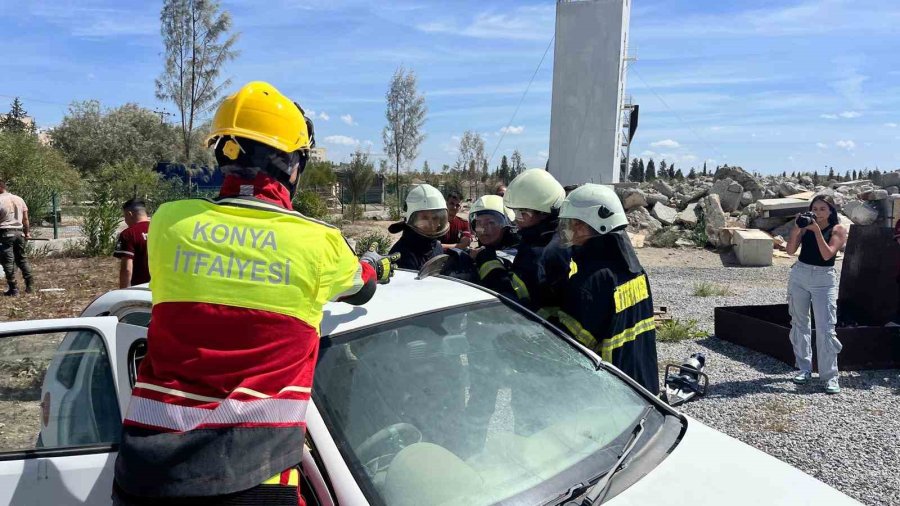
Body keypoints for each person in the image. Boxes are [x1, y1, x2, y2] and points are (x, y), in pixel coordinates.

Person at [113, 81, 395, 505]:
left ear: (222, 154)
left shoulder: (169, 224)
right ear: (294, 166)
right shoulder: (319, 243)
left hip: (148, 474)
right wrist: (376, 263)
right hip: (254, 475)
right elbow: (362, 289)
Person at [554, 184, 659, 394]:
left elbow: (567, 347)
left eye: (574, 224)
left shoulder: (592, 281)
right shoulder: (634, 269)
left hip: (611, 395)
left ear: (594, 226)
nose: (568, 230)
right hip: (644, 388)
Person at [473, 168, 569, 313]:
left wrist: (485, 259)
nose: (516, 219)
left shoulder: (537, 253)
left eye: (523, 213)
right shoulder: (561, 236)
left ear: (544, 213)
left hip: (540, 329)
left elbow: (508, 298)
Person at [785, 194, 848, 394]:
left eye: (823, 209)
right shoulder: (805, 226)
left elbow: (827, 254)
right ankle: (804, 368)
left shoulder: (838, 229)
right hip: (800, 274)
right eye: (815, 208)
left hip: (823, 279)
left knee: (826, 328)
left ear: (831, 211)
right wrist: (797, 228)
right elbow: (789, 250)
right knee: (800, 323)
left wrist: (816, 231)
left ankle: (830, 376)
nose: (818, 213)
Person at [389, 184, 448, 270]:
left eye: (435, 218)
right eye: (424, 218)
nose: (430, 224)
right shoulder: (401, 254)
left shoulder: (436, 246)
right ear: (412, 219)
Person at [0, 179, 33, 296]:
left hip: (5, 233)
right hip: (19, 233)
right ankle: (29, 286)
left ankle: (13, 289)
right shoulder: (19, 199)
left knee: (7, 261)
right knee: (22, 259)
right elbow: (25, 219)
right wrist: (27, 233)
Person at [114, 198, 151, 288]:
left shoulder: (129, 234)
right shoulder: (161, 229)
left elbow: (127, 269)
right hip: (163, 288)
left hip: (140, 288)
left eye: (125, 217)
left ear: (129, 214)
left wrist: (123, 292)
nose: (125, 221)